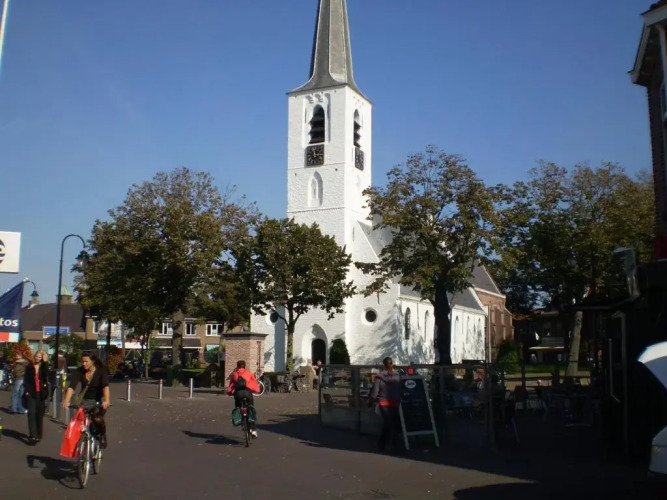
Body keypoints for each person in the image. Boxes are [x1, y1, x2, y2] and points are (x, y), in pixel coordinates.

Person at [62, 352, 111, 448]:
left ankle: (102, 435)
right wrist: (66, 400)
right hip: (84, 400)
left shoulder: (101, 370)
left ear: (93, 361)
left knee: (97, 419)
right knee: (79, 423)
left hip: (97, 400)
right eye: (82, 361)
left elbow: (105, 386)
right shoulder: (80, 371)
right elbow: (72, 386)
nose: (84, 364)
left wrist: (106, 400)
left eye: (86, 361)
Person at [370, 356, 402, 453]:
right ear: (392, 364)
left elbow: (375, 393)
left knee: (388, 423)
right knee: (390, 423)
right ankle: (389, 444)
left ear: (383, 365)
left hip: (383, 402)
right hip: (395, 402)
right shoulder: (398, 376)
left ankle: (384, 444)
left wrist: (371, 400)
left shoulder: (379, 377)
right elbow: (400, 389)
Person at [227, 360, 260, 438]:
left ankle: (240, 419)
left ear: (237, 366)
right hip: (248, 394)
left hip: (238, 394)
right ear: (244, 366)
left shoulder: (234, 374)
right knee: (250, 408)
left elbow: (231, 385)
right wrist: (256, 390)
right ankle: (253, 429)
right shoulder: (249, 373)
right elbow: (254, 383)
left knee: (238, 406)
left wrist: (229, 392)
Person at [23, 351, 49, 444]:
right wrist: (26, 391)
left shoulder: (43, 366)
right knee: (31, 413)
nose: (38, 358)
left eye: (40, 357)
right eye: (37, 356)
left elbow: (46, 374)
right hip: (31, 392)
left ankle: (38, 434)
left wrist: (45, 362)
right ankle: (33, 435)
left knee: (39, 414)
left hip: (41, 393)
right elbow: (26, 379)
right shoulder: (29, 366)